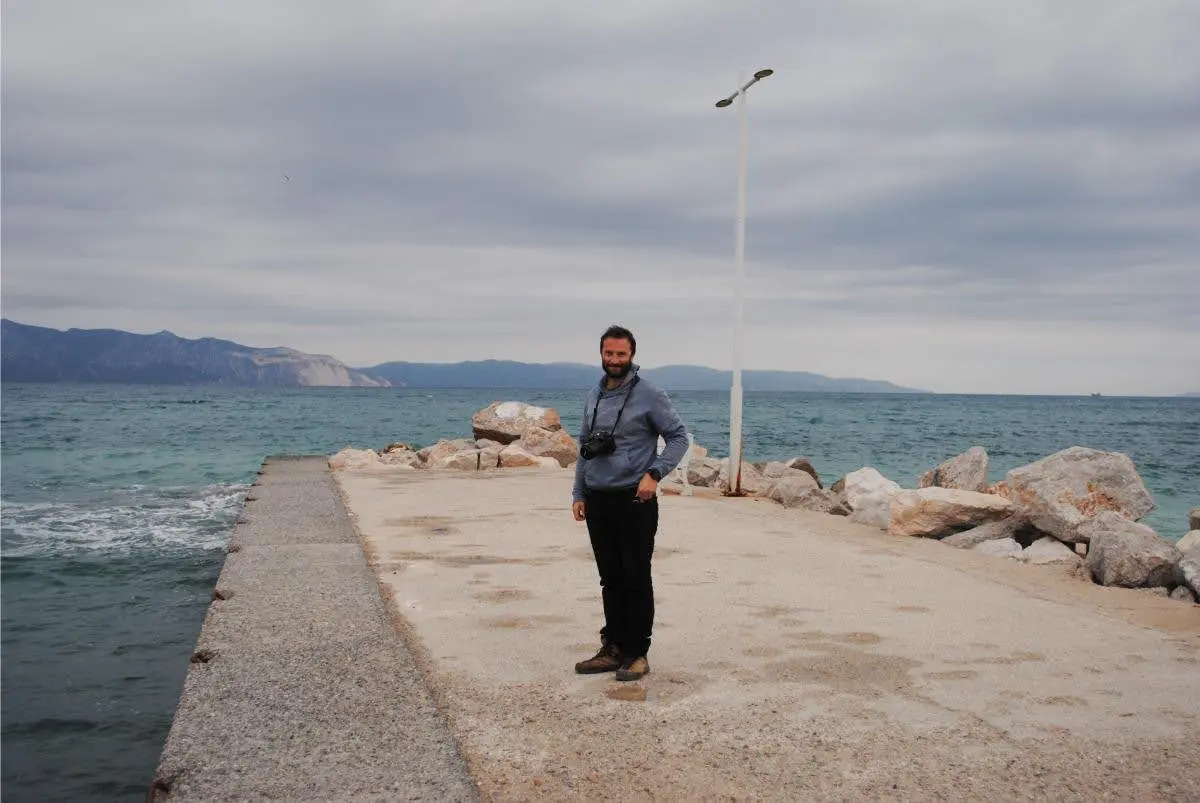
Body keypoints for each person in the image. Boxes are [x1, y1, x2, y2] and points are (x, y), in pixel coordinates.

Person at [571, 325, 690, 681]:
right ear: (601, 354)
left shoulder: (650, 394)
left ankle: (637, 653)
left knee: (635, 576)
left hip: (634, 499)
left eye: (621, 354)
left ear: (632, 355)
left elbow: (679, 438)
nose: (614, 360)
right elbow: (584, 446)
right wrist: (578, 492)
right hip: (598, 498)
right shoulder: (593, 393)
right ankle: (614, 647)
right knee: (610, 579)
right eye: (609, 354)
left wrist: (655, 474)